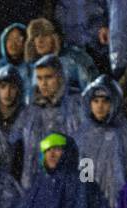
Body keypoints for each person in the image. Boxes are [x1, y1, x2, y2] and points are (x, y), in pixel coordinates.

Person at [12, 55, 83, 190]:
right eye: (39, 78)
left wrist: (85, 186)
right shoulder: (29, 112)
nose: (43, 83)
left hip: (70, 189)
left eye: (48, 77)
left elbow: (86, 151)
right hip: (37, 189)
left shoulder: (77, 107)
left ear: (60, 77)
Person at [76, 76, 127, 208]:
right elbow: (84, 174)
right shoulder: (83, 136)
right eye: (95, 101)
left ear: (115, 102)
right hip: (92, 207)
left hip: (122, 205)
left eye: (106, 101)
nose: (100, 106)